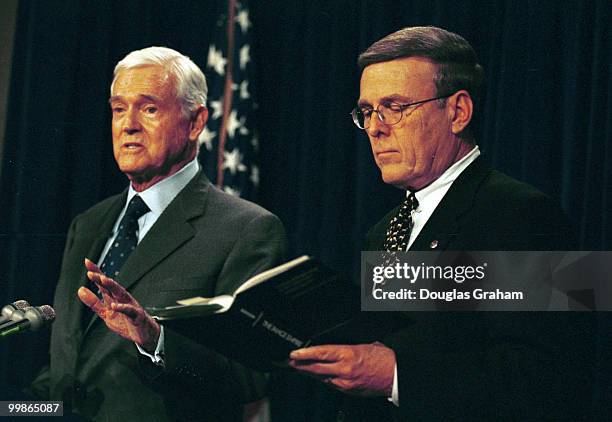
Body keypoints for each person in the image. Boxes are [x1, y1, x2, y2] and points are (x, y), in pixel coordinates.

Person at [289, 26, 595, 420]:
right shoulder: (382, 231)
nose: (376, 128)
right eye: (367, 112)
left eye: (395, 107)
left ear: (458, 111)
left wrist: (396, 375)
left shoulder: (527, 214)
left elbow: (557, 378)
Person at [28, 46, 287, 421]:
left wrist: (156, 340)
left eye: (148, 109)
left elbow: (253, 374)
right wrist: (15, 410)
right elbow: (66, 369)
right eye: (119, 109)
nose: (128, 124)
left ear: (196, 122)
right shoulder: (88, 224)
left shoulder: (247, 230)